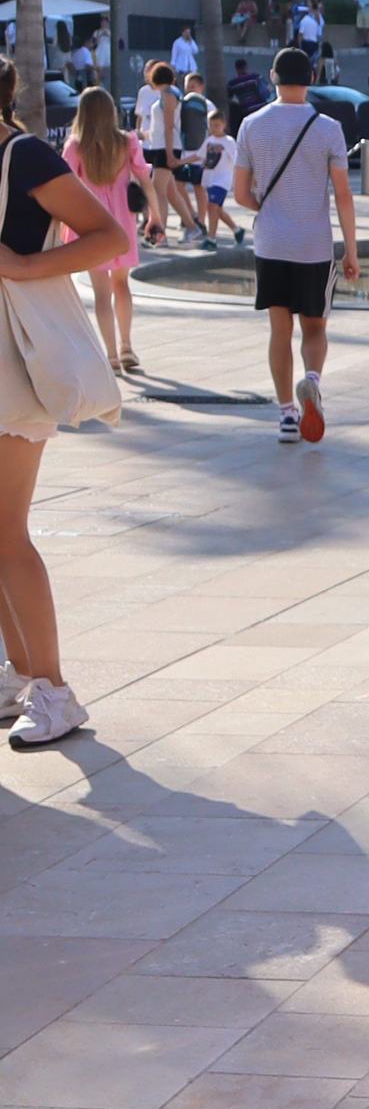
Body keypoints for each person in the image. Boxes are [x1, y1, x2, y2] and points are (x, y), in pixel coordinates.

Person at [0, 59, 127, 747]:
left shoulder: (23, 156)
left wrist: (21, 266)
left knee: (6, 531)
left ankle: (53, 690)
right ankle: (20, 676)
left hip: (10, 360)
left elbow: (110, 236)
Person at [232, 48, 360, 443]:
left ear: (272, 76)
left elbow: (239, 193)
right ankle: (312, 379)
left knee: (279, 329)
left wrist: (267, 207)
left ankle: (287, 414)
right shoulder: (327, 128)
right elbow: (343, 195)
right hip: (314, 246)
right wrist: (351, 250)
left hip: (271, 242)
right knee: (315, 326)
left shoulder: (251, 125)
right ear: (311, 77)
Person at [66, 84, 144, 379]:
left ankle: (111, 356)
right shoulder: (126, 141)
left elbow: (65, 179)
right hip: (121, 224)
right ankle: (127, 347)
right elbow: (143, 176)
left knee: (101, 293)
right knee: (121, 286)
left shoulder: (76, 145)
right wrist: (156, 216)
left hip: (91, 224)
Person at [134, 63, 186, 245]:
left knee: (158, 191)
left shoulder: (169, 95)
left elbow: (169, 126)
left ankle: (160, 234)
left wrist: (170, 153)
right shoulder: (167, 94)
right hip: (160, 147)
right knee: (162, 191)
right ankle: (190, 226)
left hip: (166, 148)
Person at [171, 73, 213, 243]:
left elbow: (212, 128)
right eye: (188, 86)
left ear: (201, 87)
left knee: (198, 187)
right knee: (177, 185)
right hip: (184, 152)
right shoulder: (183, 104)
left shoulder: (207, 104)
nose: (189, 89)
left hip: (200, 153)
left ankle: (201, 221)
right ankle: (191, 215)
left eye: (193, 86)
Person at [200, 113, 245, 246]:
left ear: (224, 124)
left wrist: (244, 179)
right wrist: (179, 162)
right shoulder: (209, 140)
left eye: (216, 125)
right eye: (211, 125)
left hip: (223, 180)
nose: (213, 128)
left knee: (212, 206)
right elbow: (200, 155)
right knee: (217, 209)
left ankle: (211, 238)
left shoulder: (229, 142)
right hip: (210, 179)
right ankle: (236, 229)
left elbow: (237, 161)